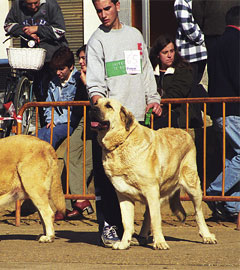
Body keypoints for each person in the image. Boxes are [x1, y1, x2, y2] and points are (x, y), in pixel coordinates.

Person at [86, 0, 162, 247]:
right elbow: (95, 80)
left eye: (107, 8)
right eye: (98, 10)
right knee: (109, 175)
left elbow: (145, 70)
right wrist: (99, 106)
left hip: (136, 119)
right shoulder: (96, 40)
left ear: (118, 5)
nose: (102, 14)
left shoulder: (134, 35)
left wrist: (153, 98)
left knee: (141, 176)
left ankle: (141, 228)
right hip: (111, 121)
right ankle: (109, 226)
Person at [4, 0, 68, 125]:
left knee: (51, 93)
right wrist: (25, 31)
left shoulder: (51, 5)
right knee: (38, 95)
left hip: (51, 58)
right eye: (29, 4)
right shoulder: (17, 6)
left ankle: (56, 123)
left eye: (36, 3)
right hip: (31, 57)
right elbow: (8, 25)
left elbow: (60, 31)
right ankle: (40, 125)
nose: (33, 7)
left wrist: (38, 29)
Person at [205, 6, 240, 222]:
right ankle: (215, 190)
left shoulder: (216, 44)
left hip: (220, 110)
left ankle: (232, 205)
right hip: (234, 110)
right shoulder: (236, 43)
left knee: (235, 156)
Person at [61, 45, 94, 220]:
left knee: (88, 163)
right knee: (69, 155)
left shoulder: (96, 76)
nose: (81, 62)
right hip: (82, 120)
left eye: (84, 58)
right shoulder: (79, 76)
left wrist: (88, 84)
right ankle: (80, 199)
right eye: (80, 58)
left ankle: (75, 205)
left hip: (97, 121)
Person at [149, 34, 203, 129]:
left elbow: (177, 92)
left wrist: (158, 102)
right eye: (165, 52)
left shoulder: (184, 70)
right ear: (158, 55)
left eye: (172, 51)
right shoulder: (150, 71)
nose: (169, 55)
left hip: (180, 114)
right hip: (157, 113)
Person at [37, 46, 84, 149]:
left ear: (71, 66)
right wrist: (51, 120)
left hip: (71, 122)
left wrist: (56, 121)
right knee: (35, 137)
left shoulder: (79, 80)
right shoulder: (53, 82)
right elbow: (48, 105)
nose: (58, 73)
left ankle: (47, 163)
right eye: (56, 69)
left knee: (51, 135)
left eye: (61, 69)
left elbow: (76, 112)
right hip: (54, 122)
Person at [174, 0, 207, 87]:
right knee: (191, 88)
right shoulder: (182, 1)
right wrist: (205, 40)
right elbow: (187, 27)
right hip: (191, 55)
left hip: (204, 54)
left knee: (203, 88)